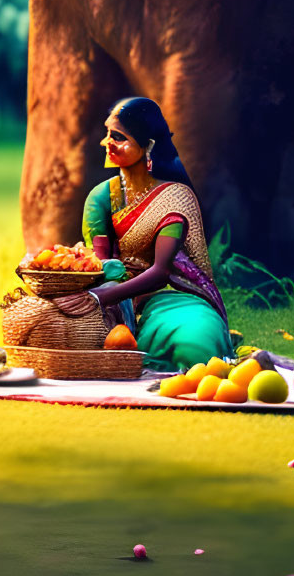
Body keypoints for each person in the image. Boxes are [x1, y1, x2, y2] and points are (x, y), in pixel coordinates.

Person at [52, 97, 231, 372]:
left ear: (148, 146)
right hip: (115, 301)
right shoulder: (101, 198)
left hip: (173, 297)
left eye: (119, 137)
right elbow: (99, 266)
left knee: (197, 344)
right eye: (108, 134)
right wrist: (98, 296)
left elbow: (162, 271)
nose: (107, 143)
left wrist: (101, 297)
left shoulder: (175, 198)